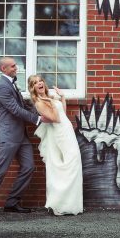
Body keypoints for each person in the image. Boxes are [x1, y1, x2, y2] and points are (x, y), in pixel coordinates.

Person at [0, 57, 48, 219]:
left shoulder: (13, 83)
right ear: (3, 69)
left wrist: (42, 107)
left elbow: (23, 105)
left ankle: (12, 203)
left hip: (21, 136)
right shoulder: (1, 87)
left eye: (15, 65)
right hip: (8, 136)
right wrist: (37, 119)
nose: (16, 68)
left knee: (28, 167)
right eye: (12, 66)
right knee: (0, 171)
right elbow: (14, 109)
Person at [28, 75, 84, 216]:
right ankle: (59, 204)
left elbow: (62, 113)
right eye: (36, 83)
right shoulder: (39, 102)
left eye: (40, 81)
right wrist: (51, 102)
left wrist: (62, 97)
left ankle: (72, 204)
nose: (39, 83)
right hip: (59, 134)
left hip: (67, 131)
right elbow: (56, 119)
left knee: (74, 164)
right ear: (33, 88)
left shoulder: (50, 97)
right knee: (67, 165)